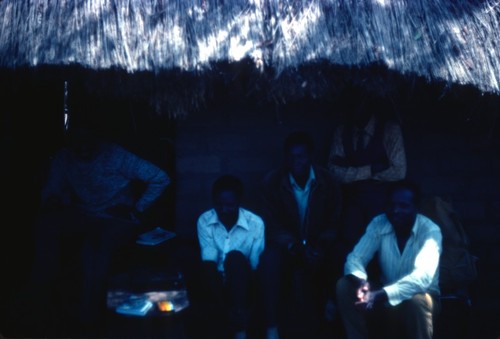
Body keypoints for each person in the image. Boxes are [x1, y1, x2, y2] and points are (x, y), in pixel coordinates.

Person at [29, 125, 171, 336]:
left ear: (97, 140)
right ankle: (41, 299)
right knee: (47, 227)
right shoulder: (64, 158)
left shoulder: (115, 155)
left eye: (88, 142)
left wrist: (136, 208)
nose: (83, 148)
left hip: (117, 218)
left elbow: (160, 177)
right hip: (85, 214)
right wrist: (53, 200)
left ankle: (90, 319)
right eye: (78, 143)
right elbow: (53, 188)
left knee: (96, 252)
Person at [258, 131, 341, 339]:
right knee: (269, 259)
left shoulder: (328, 181)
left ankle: (332, 316)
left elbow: (335, 219)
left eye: (301, 156)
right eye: (292, 156)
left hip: (320, 245)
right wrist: (294, 245)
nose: (296, 161)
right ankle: (272, 328)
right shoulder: (272, 182)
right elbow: (271, 225)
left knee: (341, 254)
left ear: (310, 156)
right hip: (288, 247)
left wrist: (321, 244)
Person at [336, 179, 442, 339]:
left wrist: (379, 295)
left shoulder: (430, 231)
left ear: (416, 208)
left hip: (423, 298)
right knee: (345, 285)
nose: (395, 210)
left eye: (403, 206)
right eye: (391, 205)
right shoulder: (379, 223)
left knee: (416, 301)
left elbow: (422, 279)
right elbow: (355, 258)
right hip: (384, 295)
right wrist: (361, 283)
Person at [328, 88, 407, 261]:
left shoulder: (389, 130)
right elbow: (334, 172)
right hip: (352, 204)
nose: (356, 108)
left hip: (382, 203)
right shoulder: (342, 131)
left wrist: (352, 168)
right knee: (351, 250)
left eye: (361, 103)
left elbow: (399, 171)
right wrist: (372, 169)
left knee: (382, 251)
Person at [197, 174, 265, 339]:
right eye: (219, 204)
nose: (224, 210)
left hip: (244, 282)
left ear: (239, 202)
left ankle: (240, 326)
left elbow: (255, 267)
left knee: (234, 258)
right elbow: (209, 264)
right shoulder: (205, 220)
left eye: (230, 205)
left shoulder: (255, 223)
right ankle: (232, 321)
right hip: (216, 281)